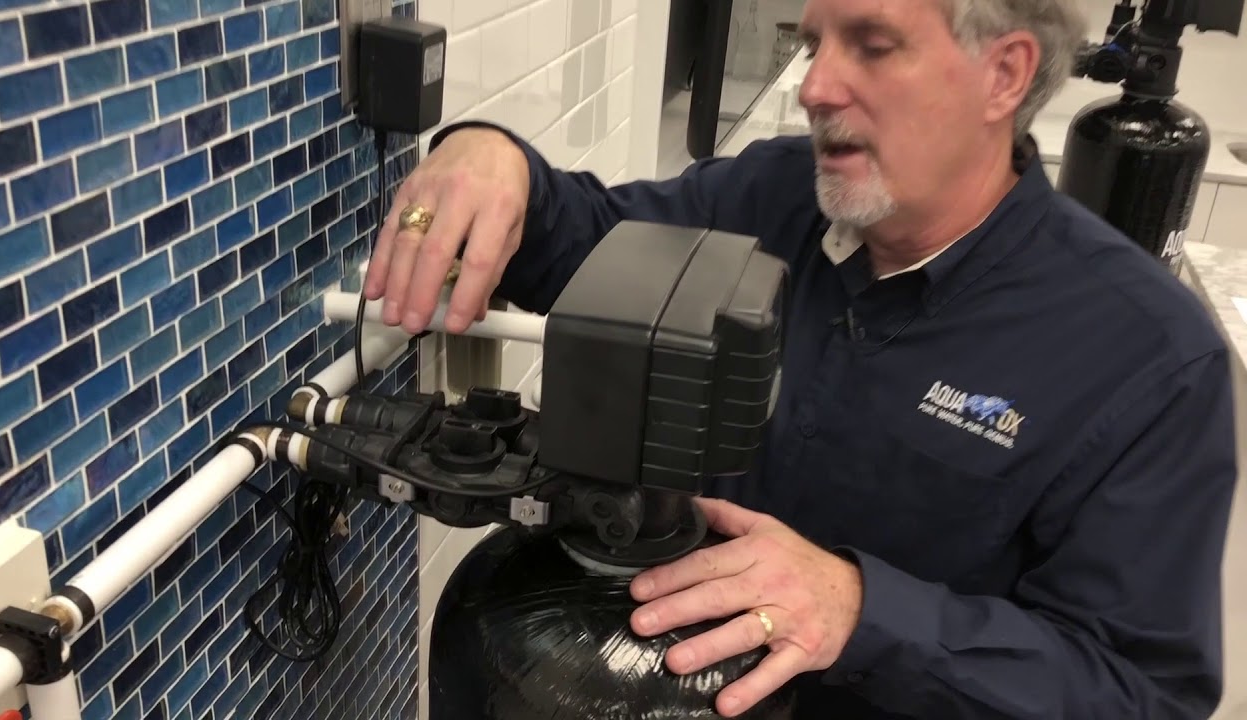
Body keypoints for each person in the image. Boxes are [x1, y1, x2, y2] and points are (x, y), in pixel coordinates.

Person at [364, 0, 1239, 717]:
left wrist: (861, 610)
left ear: (1003, 74)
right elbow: (584, 241)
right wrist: (492, 156)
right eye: (815, 44)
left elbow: (1138, 692)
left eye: (872, 45)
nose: (815, 87)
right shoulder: (771, 194)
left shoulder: (1149, 358)